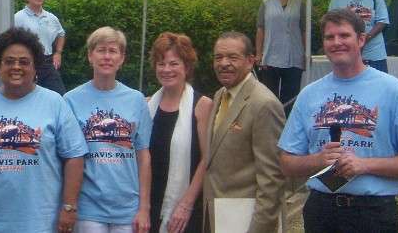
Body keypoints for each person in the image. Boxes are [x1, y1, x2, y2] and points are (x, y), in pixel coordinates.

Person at [278, 9, 398, 233]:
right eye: (329, 37)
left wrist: (364, 165)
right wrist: (318, 160)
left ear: (361, 40)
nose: (336, 42)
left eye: (344, 35)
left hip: (374, 214)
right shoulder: (309, 95)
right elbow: (286, 162)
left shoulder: (392, 90)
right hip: (322, 211)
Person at [0, 27, 88, 233]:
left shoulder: (55, 103)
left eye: (24, 62)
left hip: (44, 222)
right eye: (9, 61)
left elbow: (75, 157)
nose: (16, 67)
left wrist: (69, 207)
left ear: (35, 68)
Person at [65, 27, 153, 233]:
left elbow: (143, 156)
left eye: (113, 51)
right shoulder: (70, 100)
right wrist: (68, 205)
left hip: (127, 208)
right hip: (88, 207)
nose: (106, 56)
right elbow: (68, 157)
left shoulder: (136, 100)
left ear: (121, 58)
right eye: (100, 50)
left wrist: (144, 208)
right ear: (90, 56)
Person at [204, 32, 286, 233]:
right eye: (218, 57)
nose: (224, 63)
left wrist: (259, 228)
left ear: (250, 61)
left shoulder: (264, 104)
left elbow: (272, 179)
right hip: (219, 215)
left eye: (233, 57)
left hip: (246, 219)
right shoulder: (219, 96)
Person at [147, 32, 212, 233]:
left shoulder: (202, 105)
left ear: (187, 66)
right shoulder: (146, 104)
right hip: (148, 204)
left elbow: (206, 159)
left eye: (173, 63)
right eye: (161, 63)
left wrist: (186, 204)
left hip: (184, 208)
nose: (166, 69)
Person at [257, 0, 306, 107]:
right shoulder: (266, 3)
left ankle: (288, 126)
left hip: (294, 57)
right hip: (271, 56)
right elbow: (261, 29)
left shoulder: (299, 3)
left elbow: (304, 30)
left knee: (290, 98)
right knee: (269, 98)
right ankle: (272, 128)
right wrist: (259, 54)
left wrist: (305, 53)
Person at [328, 0, 390, 73]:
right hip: (348, 51)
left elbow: (383, 21)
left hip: (374, 53)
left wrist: (367, 37)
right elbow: (331, 21)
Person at [14, 0, 68, 94]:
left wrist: (58, 53)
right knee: (28, 97)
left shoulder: (51, 17)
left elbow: (61, 34)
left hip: (47, 62)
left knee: (60, 95)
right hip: (28, 62)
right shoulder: (18, 17)